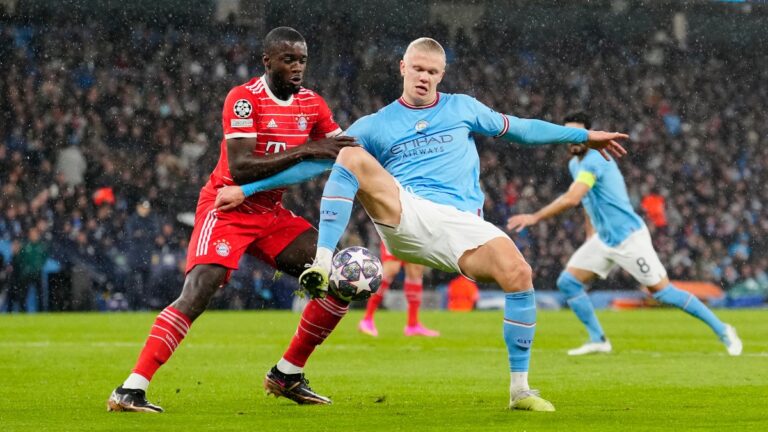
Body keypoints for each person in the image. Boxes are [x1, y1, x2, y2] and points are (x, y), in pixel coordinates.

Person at [217, 38, 628, 411]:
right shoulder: (375, 124)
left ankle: (520, 390)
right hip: (407, 213)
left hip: (462, 226)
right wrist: (249, 191)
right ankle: (323, 261)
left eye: (432, 72)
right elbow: (315, 163)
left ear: (441, 75)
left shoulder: (463, 107)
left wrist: (584, 135)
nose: (424, 77)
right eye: (418, 69)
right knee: (350, 155)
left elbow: (521, 129)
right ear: (402, 67)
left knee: (520, 273)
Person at [107, 27, 358, 413]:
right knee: (198, 292)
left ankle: (287, 373)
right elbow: (240, 168)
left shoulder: (313, 105)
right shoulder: (244, 99)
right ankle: (130, 389)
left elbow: (342, 151)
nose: (296, 67)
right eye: (288, 59)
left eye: (302, 60)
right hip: (227, 208)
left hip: (270, 214)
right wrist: (308, 149)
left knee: (341, 275)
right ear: (267, 61)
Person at [506, 112, 742, 357]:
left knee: (663, 292)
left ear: (590, 136)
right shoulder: (574, 164)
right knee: (568, 282)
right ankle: (598, 339)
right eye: (569, 135)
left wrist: (534, 217)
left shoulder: (594, 160)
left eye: (578, 134)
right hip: (603, 238)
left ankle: (723, 329)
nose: (573, 140)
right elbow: (587, 200)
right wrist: (590, 235)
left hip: (628, 238)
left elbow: (573, 197)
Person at [358, 243, 439, 337]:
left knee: (415, 271)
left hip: (414, 235)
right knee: (391, 269)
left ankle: (413, 324)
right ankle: (367, 319)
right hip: (395, 232)